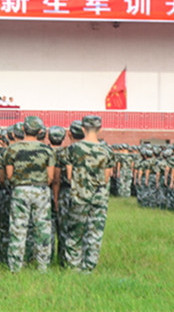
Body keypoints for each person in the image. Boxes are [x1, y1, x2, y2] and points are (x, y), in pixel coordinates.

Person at [3, 116, 55, 273]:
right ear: (39, 132)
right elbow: (50, 177)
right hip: (41, 191)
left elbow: (9, 175)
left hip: (20, 190)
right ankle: (42, 266)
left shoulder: (12, 149)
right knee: (43, 229)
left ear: (23, 129)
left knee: (18, 229)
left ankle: (15, 267)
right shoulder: (47, 150)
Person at [65, 116, 114, 272]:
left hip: (79, 197)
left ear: (83, 129)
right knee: (95, 235)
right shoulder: (107, 151)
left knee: (75, 234)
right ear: (100, 129)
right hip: (99, 198)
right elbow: (106, 178)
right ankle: (88, 269)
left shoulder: (73, 149)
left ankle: (73, 267)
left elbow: (69, 176)